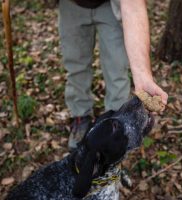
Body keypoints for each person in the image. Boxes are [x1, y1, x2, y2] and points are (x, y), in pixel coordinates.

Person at [58, 0, 168, 150]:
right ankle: (80, 117)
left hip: (110, 6)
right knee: (76, 66)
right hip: (71, 5)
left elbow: (133, 6)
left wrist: (143, 75)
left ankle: (115, 125)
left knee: (117, 68)